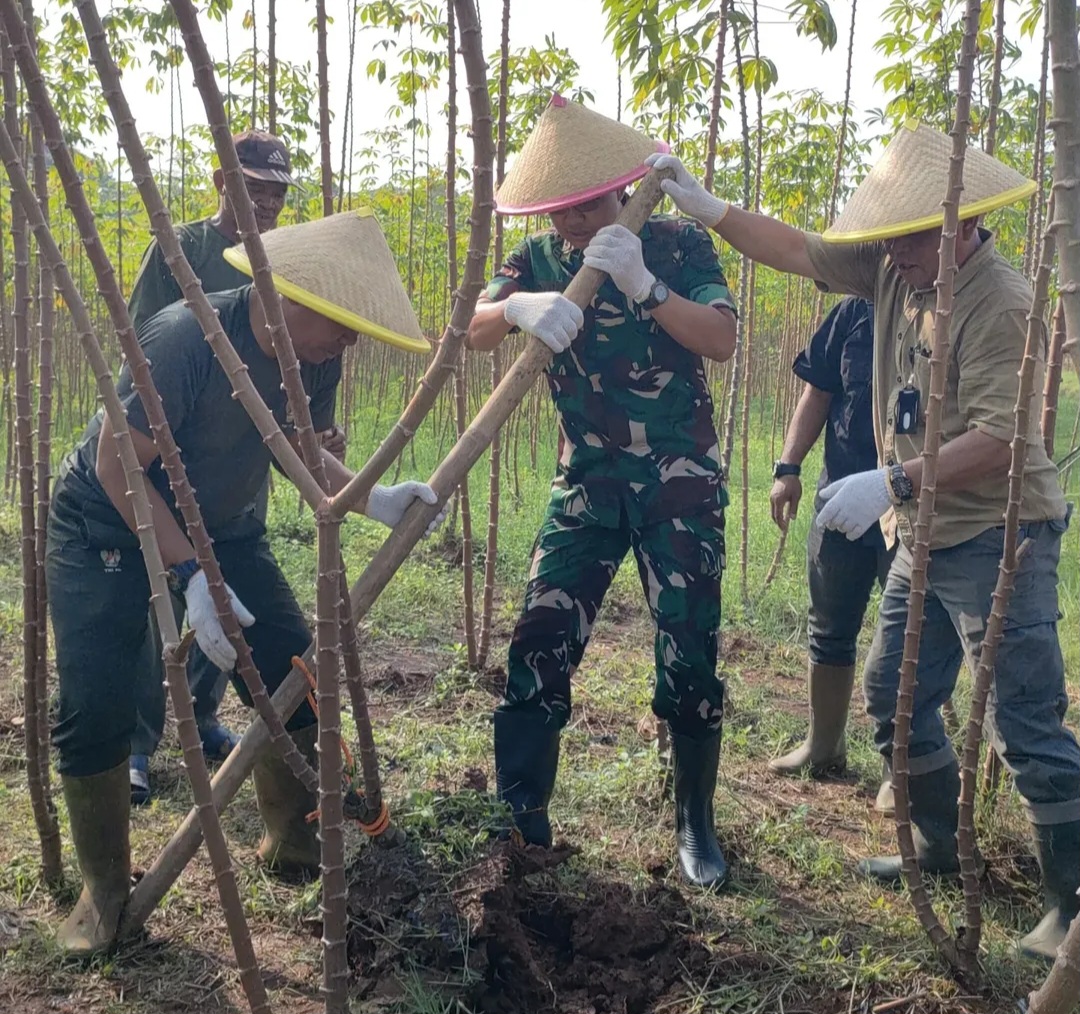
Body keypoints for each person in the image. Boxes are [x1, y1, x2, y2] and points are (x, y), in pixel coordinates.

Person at [647, 121, 1079, 958]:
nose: (896, 254)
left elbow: (1003, 435)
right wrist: (709, 209)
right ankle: (942, 848)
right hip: (921, 533)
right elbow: (801, 252)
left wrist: (895, 479)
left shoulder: (1002, 303)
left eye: (912, 237)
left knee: (1023, 719)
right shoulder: (892, 266)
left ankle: (1071, 900)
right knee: (892, 694)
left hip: (1000, 535)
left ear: (960, 225)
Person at [46, 209, 441, 956]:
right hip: (105, 524)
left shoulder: (313, 356)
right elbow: (115, 466)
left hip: (226, 526)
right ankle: (104, 892)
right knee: (95, 697)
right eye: (342, 325)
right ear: (289, 298)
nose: (350, 342)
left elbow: (297, 444)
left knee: (296, 662)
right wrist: (192, 576)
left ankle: (293, 842)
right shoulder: (183, 339)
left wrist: (373, 499)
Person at [467, 96, 738, 889]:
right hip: (586, 477)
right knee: (540, 635)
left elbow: (721, 340)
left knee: (689, 652)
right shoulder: (538, 258)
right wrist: (515, 308)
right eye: (561, 208)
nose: (575, 222)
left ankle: (695, 819)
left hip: (678, 482)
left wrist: (646, 285)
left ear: (621, 189)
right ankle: (523, 822)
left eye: (587, 204)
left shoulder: (678, 242)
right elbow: (472, 329)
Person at [125, 131, 346, 804]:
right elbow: (145, 346)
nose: (268, 201)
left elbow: (311, 384)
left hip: (246, 464)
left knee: (233, 602)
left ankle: (204, 714)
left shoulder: (292, 262)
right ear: (224, 182)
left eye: (277, 191)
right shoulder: (185, 252)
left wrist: (321, 442)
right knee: (156, 598)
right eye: (255, 187)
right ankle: (138, 742)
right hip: (171, 457)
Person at [767, 297, 896, 811]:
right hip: (840, 494)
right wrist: (788, 466)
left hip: (907, 503)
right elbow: (818, 391)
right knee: (829, 625)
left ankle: (898, 770)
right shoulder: (852, 313)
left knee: (905, 632)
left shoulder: (943, 307)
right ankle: (824, 746)